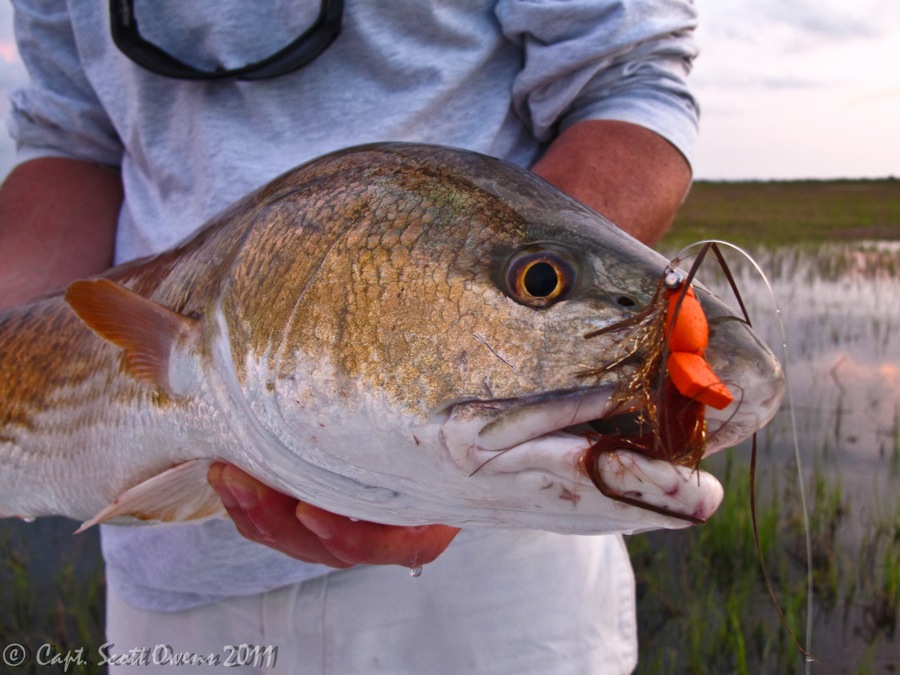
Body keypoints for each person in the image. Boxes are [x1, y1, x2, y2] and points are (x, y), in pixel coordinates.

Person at [0, 1, 698, 672]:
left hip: (495, 560)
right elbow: (71, 142)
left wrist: (500, 354)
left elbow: (629, 75)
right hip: (170, 581)